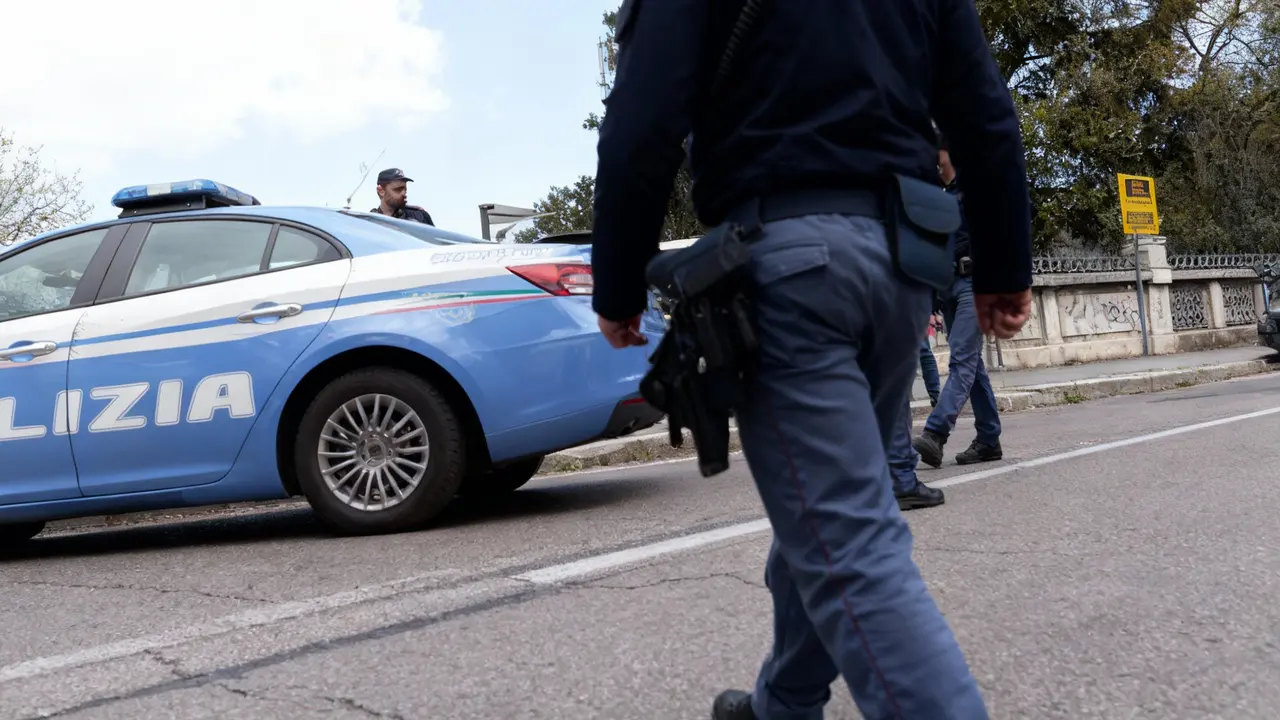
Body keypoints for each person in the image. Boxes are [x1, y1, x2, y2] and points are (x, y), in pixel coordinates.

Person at [588, 1, 1033, 718]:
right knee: (835, 505)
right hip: (899, 269)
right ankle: (783, 704)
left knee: (849, 543)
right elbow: (983, 111)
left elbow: (642, 126)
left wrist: (616, 283)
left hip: (789, 269)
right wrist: (1006, 265)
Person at [912, 141, 1007, 469]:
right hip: (950, 289)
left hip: (976, 287)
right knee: (973, 366)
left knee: (963, 363)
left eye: (938, 162)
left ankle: (936, 434)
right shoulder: (941, 199)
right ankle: (989, 438)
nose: (935, 169)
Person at [370, 168, 434, 225]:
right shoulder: (369, 222)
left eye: (405, 189)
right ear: (381, 191)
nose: (403, 193)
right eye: (398, 189)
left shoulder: (419, 217)